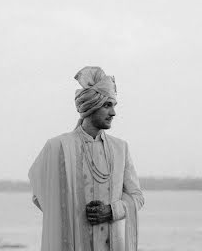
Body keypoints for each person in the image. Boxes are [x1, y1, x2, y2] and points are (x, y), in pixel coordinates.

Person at [29, 66, 145, 251]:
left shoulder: (120, 148)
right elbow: (39, 195)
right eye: (107, 105)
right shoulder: (58, 147)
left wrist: (111, 210)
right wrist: (69, 215)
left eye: (114, 105)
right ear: (91, 106)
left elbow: (137, 197)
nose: (113, 113)